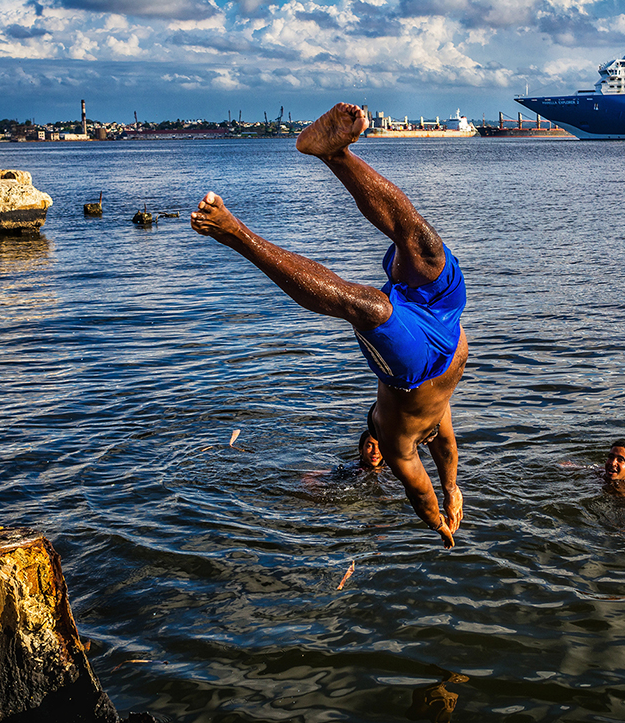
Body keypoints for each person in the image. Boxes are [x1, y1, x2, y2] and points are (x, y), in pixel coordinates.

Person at [190, 103, 468, 548]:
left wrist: (443, 509)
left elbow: (432, 476)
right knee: (400, 274)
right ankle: (268, 205)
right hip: (435, 336)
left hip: (413, 362)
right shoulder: (421, 432)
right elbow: (434, 472)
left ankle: (307, 174)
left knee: (394, 278)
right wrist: (445, 509)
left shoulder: (402, 437)